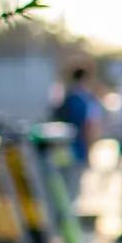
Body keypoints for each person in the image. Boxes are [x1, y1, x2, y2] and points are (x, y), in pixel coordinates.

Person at [51, 66, 100, 211]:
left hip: (62, 151)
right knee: (70, 193)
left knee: (62, 190)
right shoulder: (83, 100)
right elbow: (88, 127)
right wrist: (89, 151)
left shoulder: (66, 98)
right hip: (77, 150)